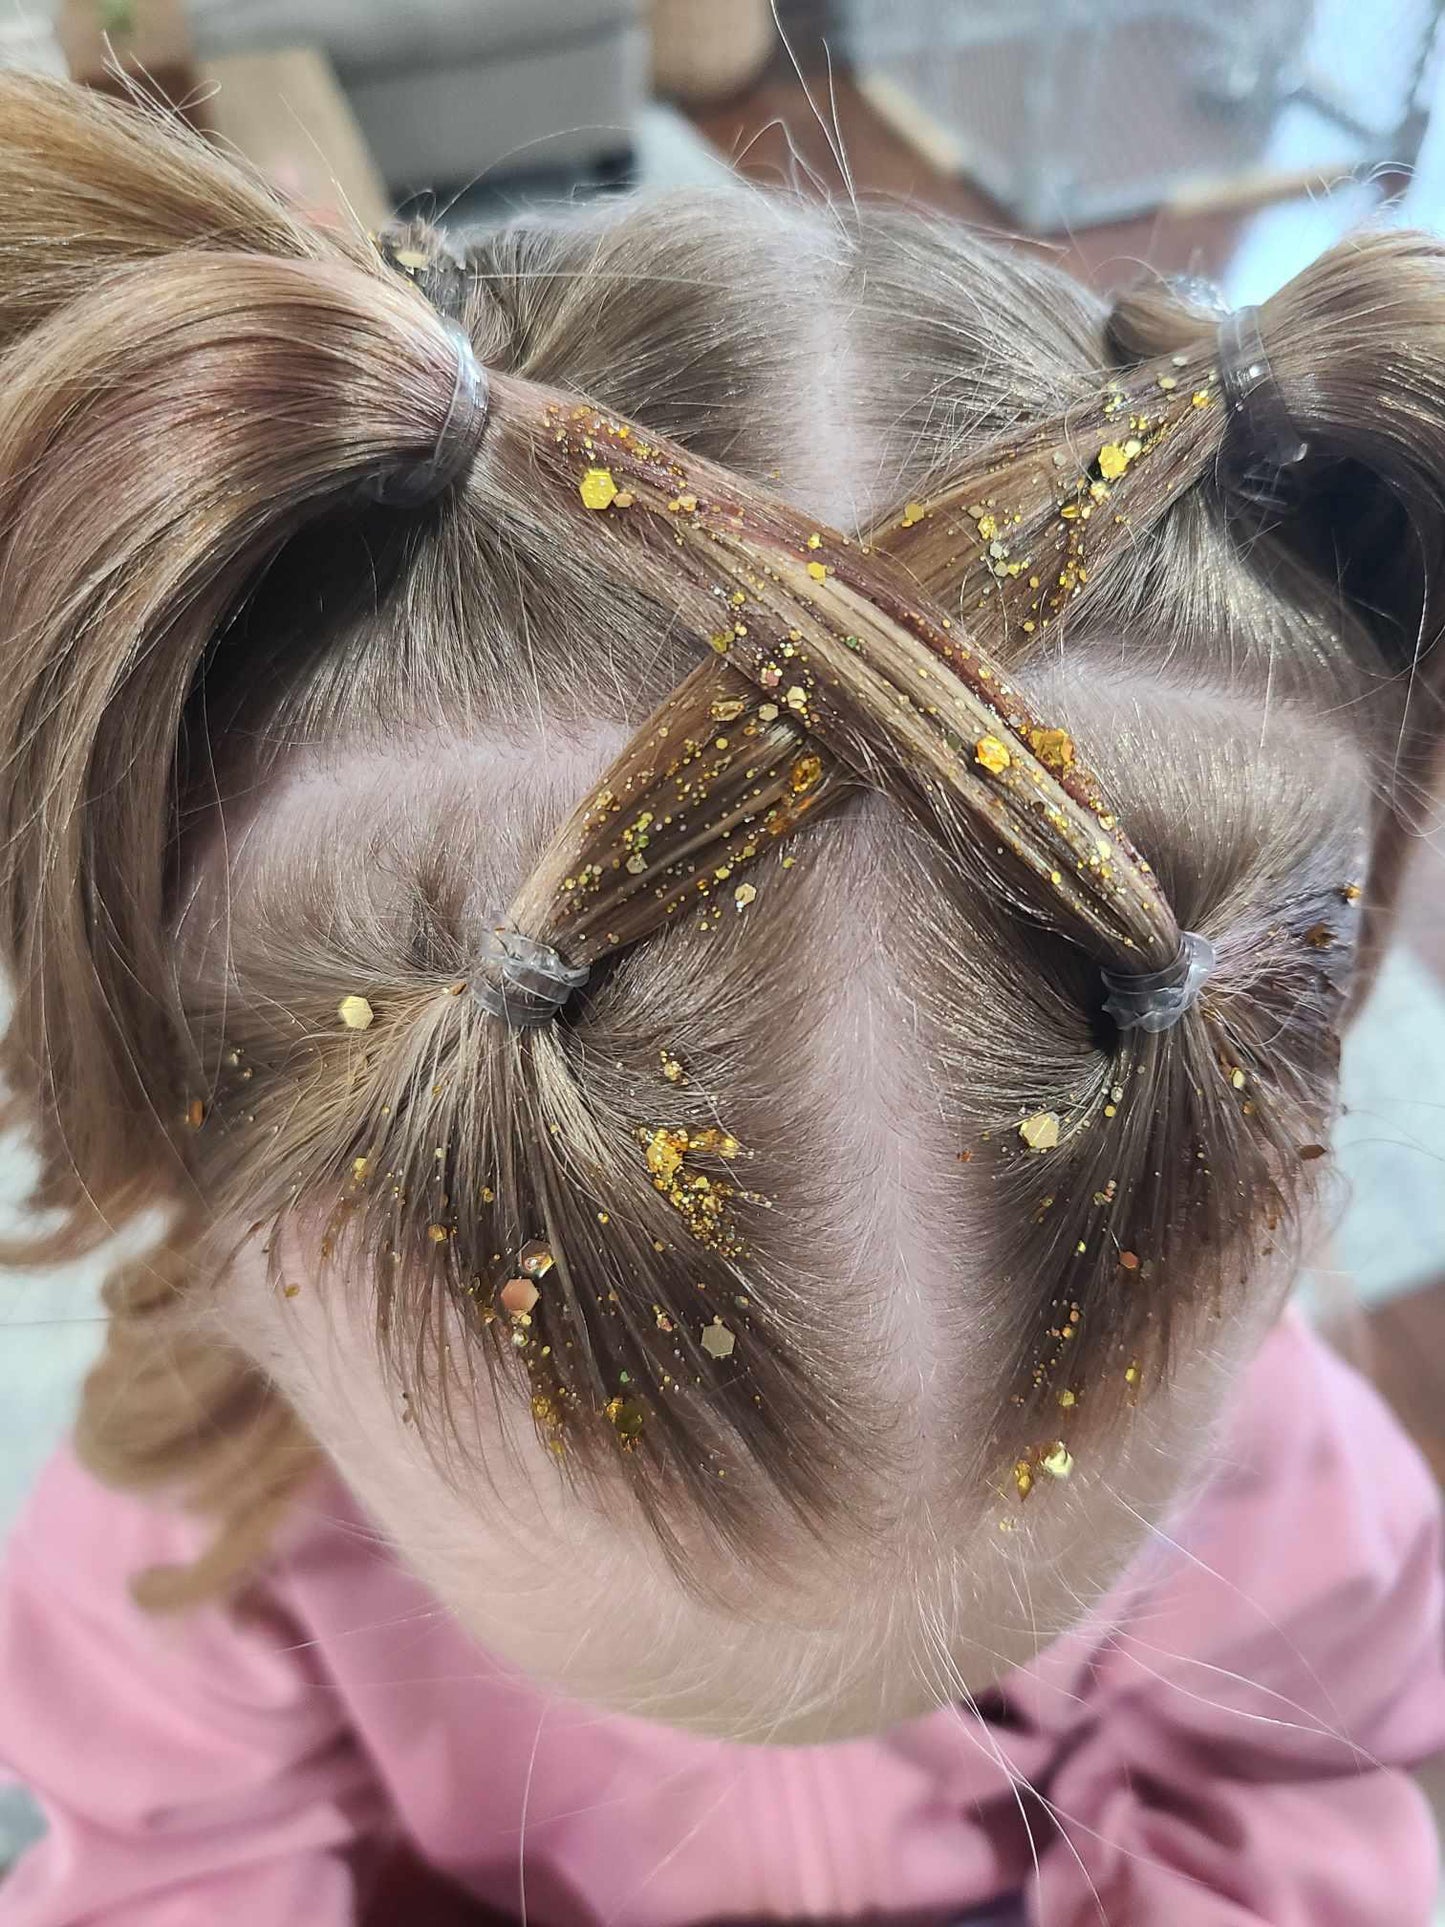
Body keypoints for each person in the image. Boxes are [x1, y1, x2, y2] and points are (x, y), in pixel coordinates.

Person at [0, 71, 1441, 1927]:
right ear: (243, 1254)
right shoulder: (196, 1536)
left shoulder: (1256, 1459)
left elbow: (1294, 1787)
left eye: (984, 1667)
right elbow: (163, 1873)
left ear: (1264, 1205)